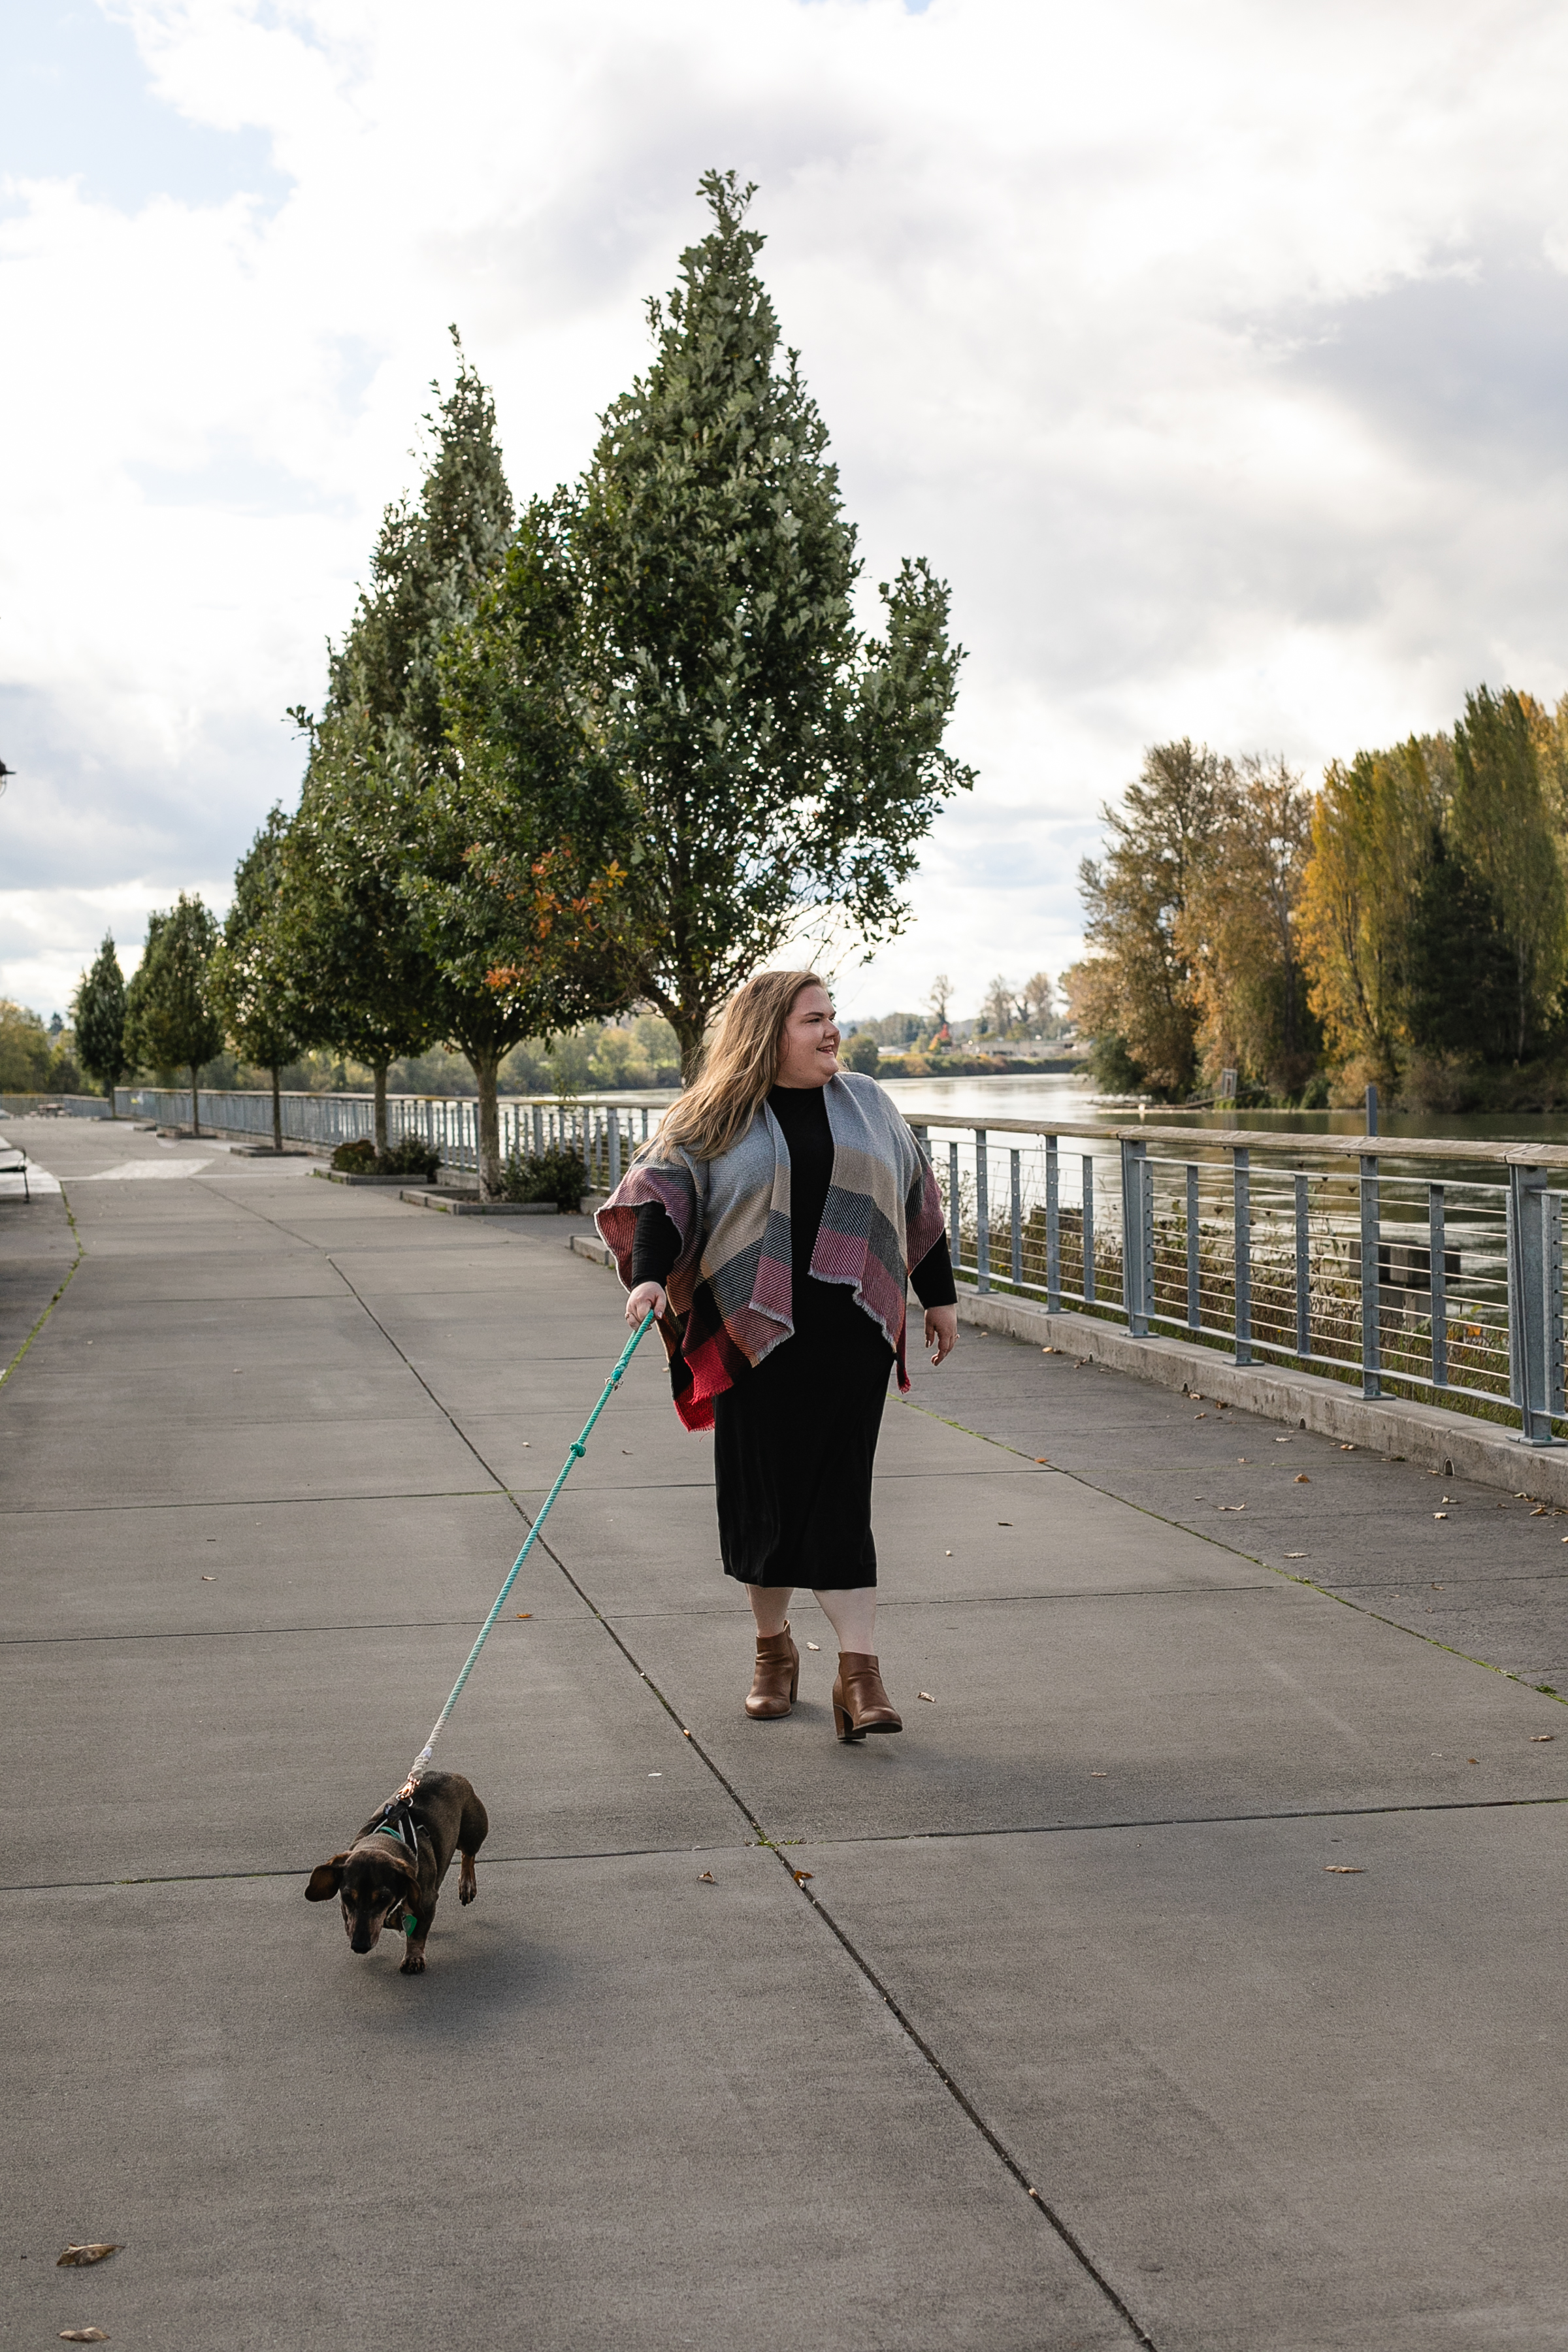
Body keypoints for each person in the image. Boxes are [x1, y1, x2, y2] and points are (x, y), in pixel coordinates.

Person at [596, 970, 958, 1742]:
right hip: (754, 1343)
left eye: (833, 1018)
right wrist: (651, 1279)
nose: (833, 1033)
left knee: (839, 1503)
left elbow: (918, 1197)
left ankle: (860, 1677)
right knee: (767, 1506)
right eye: (814, 1021)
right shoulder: (713, 1115)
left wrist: (941, 1296)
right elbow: (662, 1196)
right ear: (769, 1031)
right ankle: (773, 1653)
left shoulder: (868, 1103)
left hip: (851, 1338)